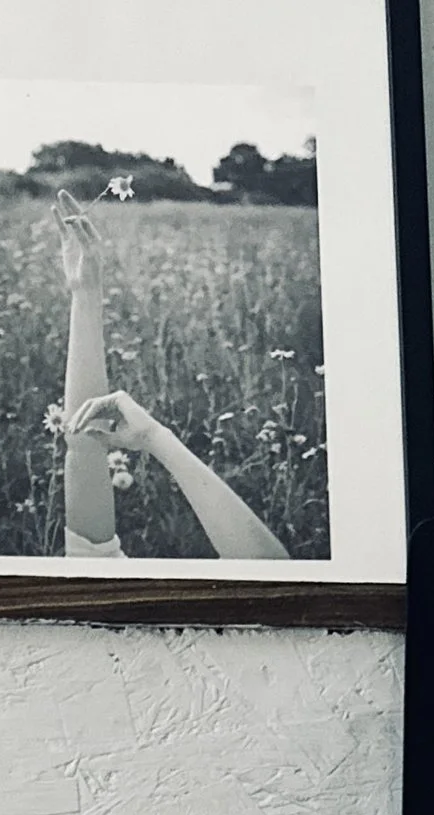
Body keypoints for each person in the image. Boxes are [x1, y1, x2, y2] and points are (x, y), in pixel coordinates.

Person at [51, 191, 292, 564]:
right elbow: (273, 571)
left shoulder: (94, 573)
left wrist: (87, 295)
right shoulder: (94, 572)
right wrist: (157, 440)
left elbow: (84, 442)